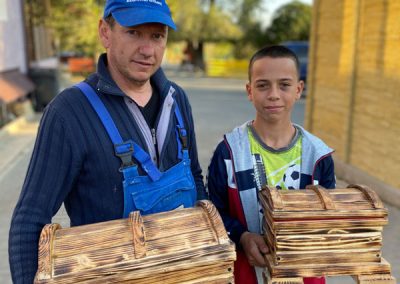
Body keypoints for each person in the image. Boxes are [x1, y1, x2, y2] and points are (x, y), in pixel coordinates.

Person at [9, 0, 206, 282]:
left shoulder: (177, 100)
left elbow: (195, 178)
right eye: (133, 33)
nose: (147, 49)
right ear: (105, 32)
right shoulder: (69, 112)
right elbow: (29, 221)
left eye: (157, 36)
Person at [206, 45, 335, 284]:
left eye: (284, 85)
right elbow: (213, 212)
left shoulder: (319, 156)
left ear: (299, 89)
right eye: (263, 85)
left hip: (306, 276)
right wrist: (242, 236)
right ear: (249, 90)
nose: (273, 94)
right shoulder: (229, 152)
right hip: (246, 276)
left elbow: (330, 224)